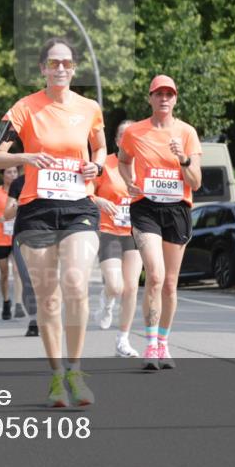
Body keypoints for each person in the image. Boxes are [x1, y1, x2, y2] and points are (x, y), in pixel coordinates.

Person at [0, 37, 105, 408]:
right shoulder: (23, 108)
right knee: (48, 298)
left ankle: (76, 370)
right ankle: (57, 377)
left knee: (76, 282)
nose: (60, 68)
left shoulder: (89, 108)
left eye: (66, 63)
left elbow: (101, 147)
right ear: (42, 69)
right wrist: (27, 157)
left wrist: (97, 165)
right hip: (36, 210)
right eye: (53, 63)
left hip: (78, 206)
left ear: (74, 68)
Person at [118, 75, 201, 371]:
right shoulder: (135, 132)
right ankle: (151, 344)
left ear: (175, 99)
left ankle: (163, 343)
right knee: (154, 275)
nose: (164, 98)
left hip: (177, 209)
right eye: (158, 94)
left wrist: (184, 159)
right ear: (150, 98)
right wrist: (129, 181)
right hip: (146, 208)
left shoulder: (187, 133)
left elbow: (196, 182)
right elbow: (123, 160)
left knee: (169, 284)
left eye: (169, 94)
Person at [92, 120, 142, 357]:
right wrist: (99, 200)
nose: (127, 138)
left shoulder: (143, 166)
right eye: (123, 135)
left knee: (131, 288)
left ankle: (123, 340)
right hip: (108, 230)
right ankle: (107, 298)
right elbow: (85, 192)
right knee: (115, 285)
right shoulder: (105, 164)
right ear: (116, 140)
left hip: (135, 232)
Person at [0, 166, 26, 320]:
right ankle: (6, 301)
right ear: (2, 175)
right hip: (0, 237)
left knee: (17, 270)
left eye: (15, 172)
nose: (13, 175)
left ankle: (18, 304)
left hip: (17, 236)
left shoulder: (22, 191)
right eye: (9, 172)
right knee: (4, 273)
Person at [3, 173, 39, 337]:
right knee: (28, 280)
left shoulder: (59, 175)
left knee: (50, 279)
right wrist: (19, 204)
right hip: (23, 234)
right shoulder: (19, 182)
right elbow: (7, 214)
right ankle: (34, 320)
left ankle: (49, 317)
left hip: (51, 234)